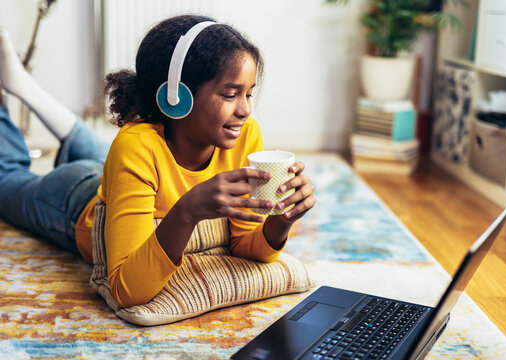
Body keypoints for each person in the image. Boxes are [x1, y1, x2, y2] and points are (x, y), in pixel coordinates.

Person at [0, 15, 316, 308]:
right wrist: (188, 210)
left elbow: (246, 248)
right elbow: (126, 290)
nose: (246, 110)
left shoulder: (243, 135)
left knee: (102, 154)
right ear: (176, 97)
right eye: (230, 94)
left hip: (122, 174)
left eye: (249, 93)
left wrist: (282, 220)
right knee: (7, 179)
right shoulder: (135, 147)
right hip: (71, 202)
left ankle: (23, 86)